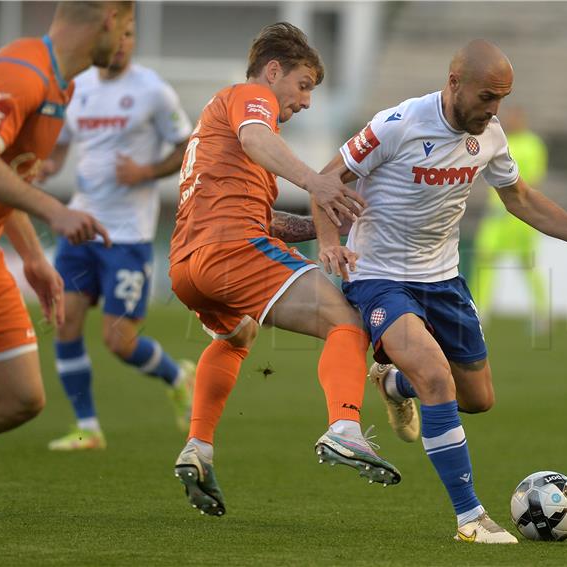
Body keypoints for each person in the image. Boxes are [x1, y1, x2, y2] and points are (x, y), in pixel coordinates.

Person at [314, 39, 567, 544]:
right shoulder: (396, 124)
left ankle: (394, 384)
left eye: (501, 100)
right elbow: (326, 179)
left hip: (442, 279)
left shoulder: (490, 136)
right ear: (454, 83)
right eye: (487, 97)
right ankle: (471, 518)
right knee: (437, 379)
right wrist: (330, 242)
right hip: (378, 275)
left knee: (478, 398)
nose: (494, 110)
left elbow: (521, 199)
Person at [168, 22, 400, 517]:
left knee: (236, 337)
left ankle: (199, 446)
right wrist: (317, 182)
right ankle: (345, 429)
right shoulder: (251, 98)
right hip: (231, 251)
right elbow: (256, 139)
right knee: (346, 322)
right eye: (303, 85)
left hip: (188, 266)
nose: (308, 101)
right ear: (273, 72)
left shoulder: (217, 126)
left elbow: (262, 216)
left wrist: (321, 224)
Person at [0, 1, 133, 459]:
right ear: (109, 19)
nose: (124, 42)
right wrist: (54, 211)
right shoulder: (23, 71)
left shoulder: (62, 86)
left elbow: (3, 176)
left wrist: (34, 256)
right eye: (128, 27)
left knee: (19, 397)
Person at [37, 19, 195, 451]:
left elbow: (187, 147)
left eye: (130, 36)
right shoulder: (79, 86)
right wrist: (50, 165)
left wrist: (145, 171)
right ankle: (87, 427)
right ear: (98, 38)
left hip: (127, 234)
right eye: (117, 36)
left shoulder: (154, 91)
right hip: (80, 223)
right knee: (65, 323)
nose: (123, 44)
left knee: (118, 340)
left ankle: (178, 376)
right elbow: (63, 140)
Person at [469, 105, 549, 332]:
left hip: (519, 216)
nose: (511, 121)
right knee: (484, 260)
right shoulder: (499, 139)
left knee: (528, 265)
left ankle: (541, 313)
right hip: (496, 214)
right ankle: (479, 310)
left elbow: (534, 180)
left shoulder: (533, 144)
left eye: (515, 117)